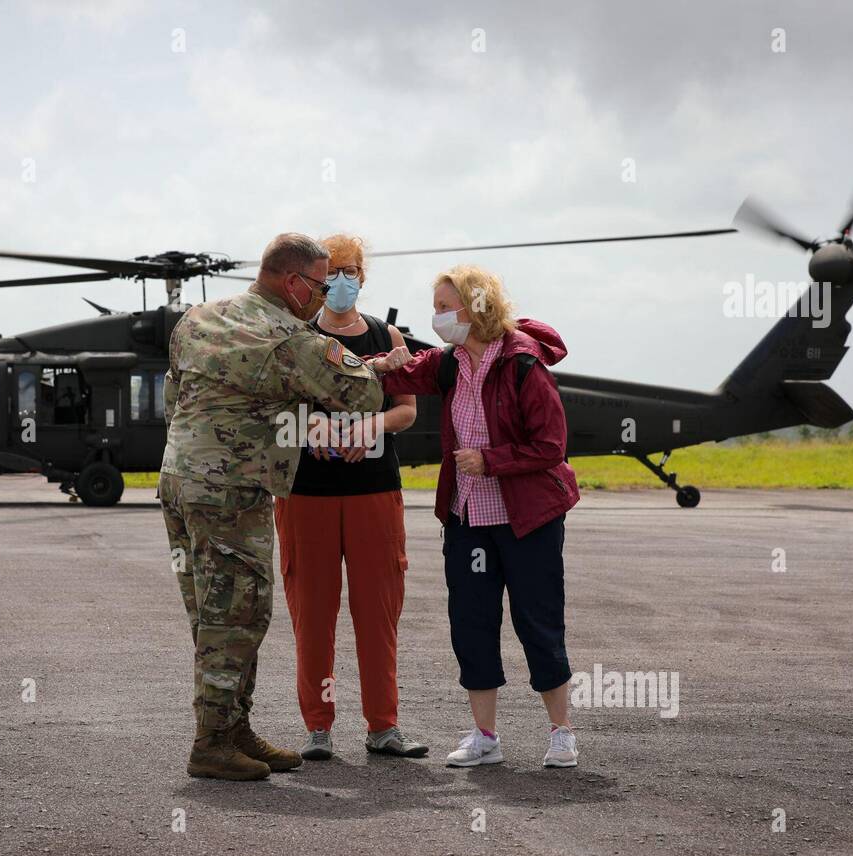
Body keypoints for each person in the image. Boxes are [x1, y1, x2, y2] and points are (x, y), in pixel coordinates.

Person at [160, 232, 384, 782]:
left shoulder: (197, 319)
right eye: (321, 282)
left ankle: (234, 729)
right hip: (233, 492)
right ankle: (212, 742)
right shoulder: (285, 336)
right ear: (293, 282)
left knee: (214, 613)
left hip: (180, 481)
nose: (325, 292)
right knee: (236, 616)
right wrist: (382, 363)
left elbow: (173, 397)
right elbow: (363, 395)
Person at [368, 264, 582, 770]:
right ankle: (485, 737)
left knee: (538, 621)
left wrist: (491, 460)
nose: (438, 316)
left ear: (476, 307)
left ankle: (561, 732)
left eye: (445, 306)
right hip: (469, 520)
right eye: (436, 306)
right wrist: (379, 361)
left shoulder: (524, 363)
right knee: (472, 623)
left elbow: (551, 445)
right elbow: (400, 371)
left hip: (527, 519)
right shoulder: (449, 363)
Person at [272, 234, 427, 761]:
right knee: (312, 614)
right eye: (332, 271)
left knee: (377, 611)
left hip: (373, 491)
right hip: (306, 494)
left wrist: (369, 428)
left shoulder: (390, 337)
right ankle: (318, 728)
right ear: (315, 278)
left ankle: (383, 726)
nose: (341, 281)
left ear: (363, 276)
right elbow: (275, 411)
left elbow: (406, 409)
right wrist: (314, 428)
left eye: (351, 270)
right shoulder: (293, 337)